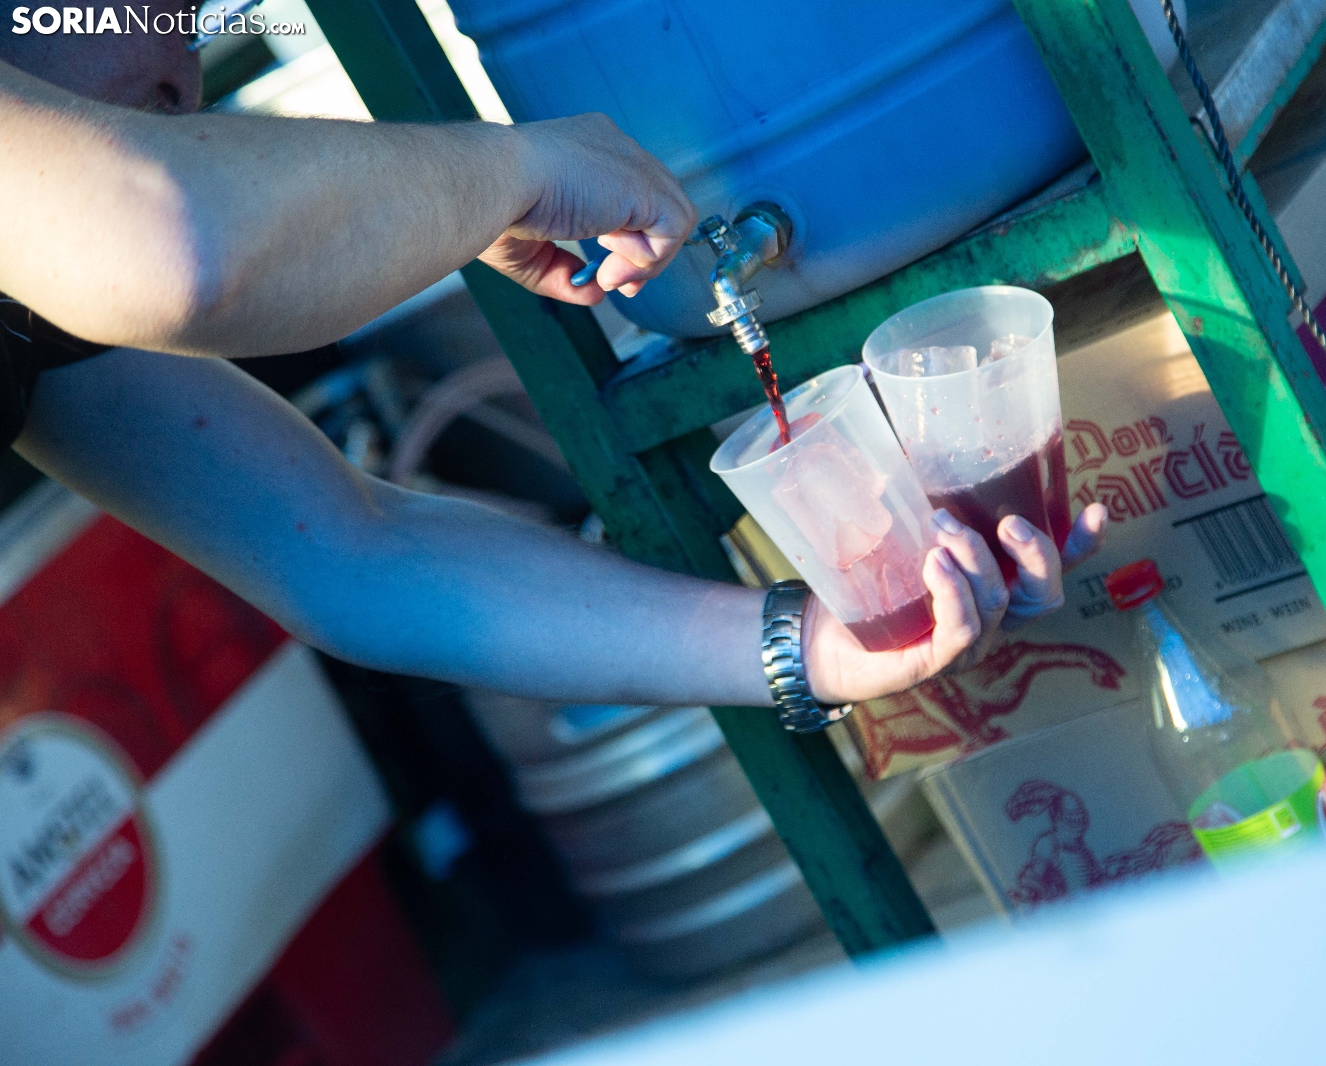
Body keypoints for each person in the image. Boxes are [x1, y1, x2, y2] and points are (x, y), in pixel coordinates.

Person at [0, 11, 1108, 719]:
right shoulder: (114, 233)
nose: (184, 80)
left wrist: (813, 646)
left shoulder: (34, 310)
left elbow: (349, 552)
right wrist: (511, 170)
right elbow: (173, 240)